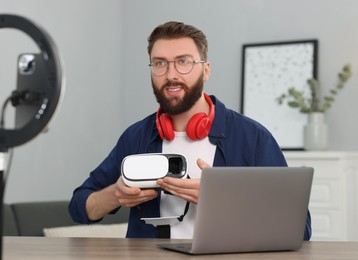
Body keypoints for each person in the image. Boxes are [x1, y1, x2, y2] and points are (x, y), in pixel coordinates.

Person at [68, 21, 311, 240]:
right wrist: (115, 195)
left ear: (205, 70)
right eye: (160, 63)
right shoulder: (136, 136)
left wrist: (225, 199)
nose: (171, 75)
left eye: (183, 62)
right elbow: (79, 207)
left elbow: (300, 228)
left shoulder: (253, 138)